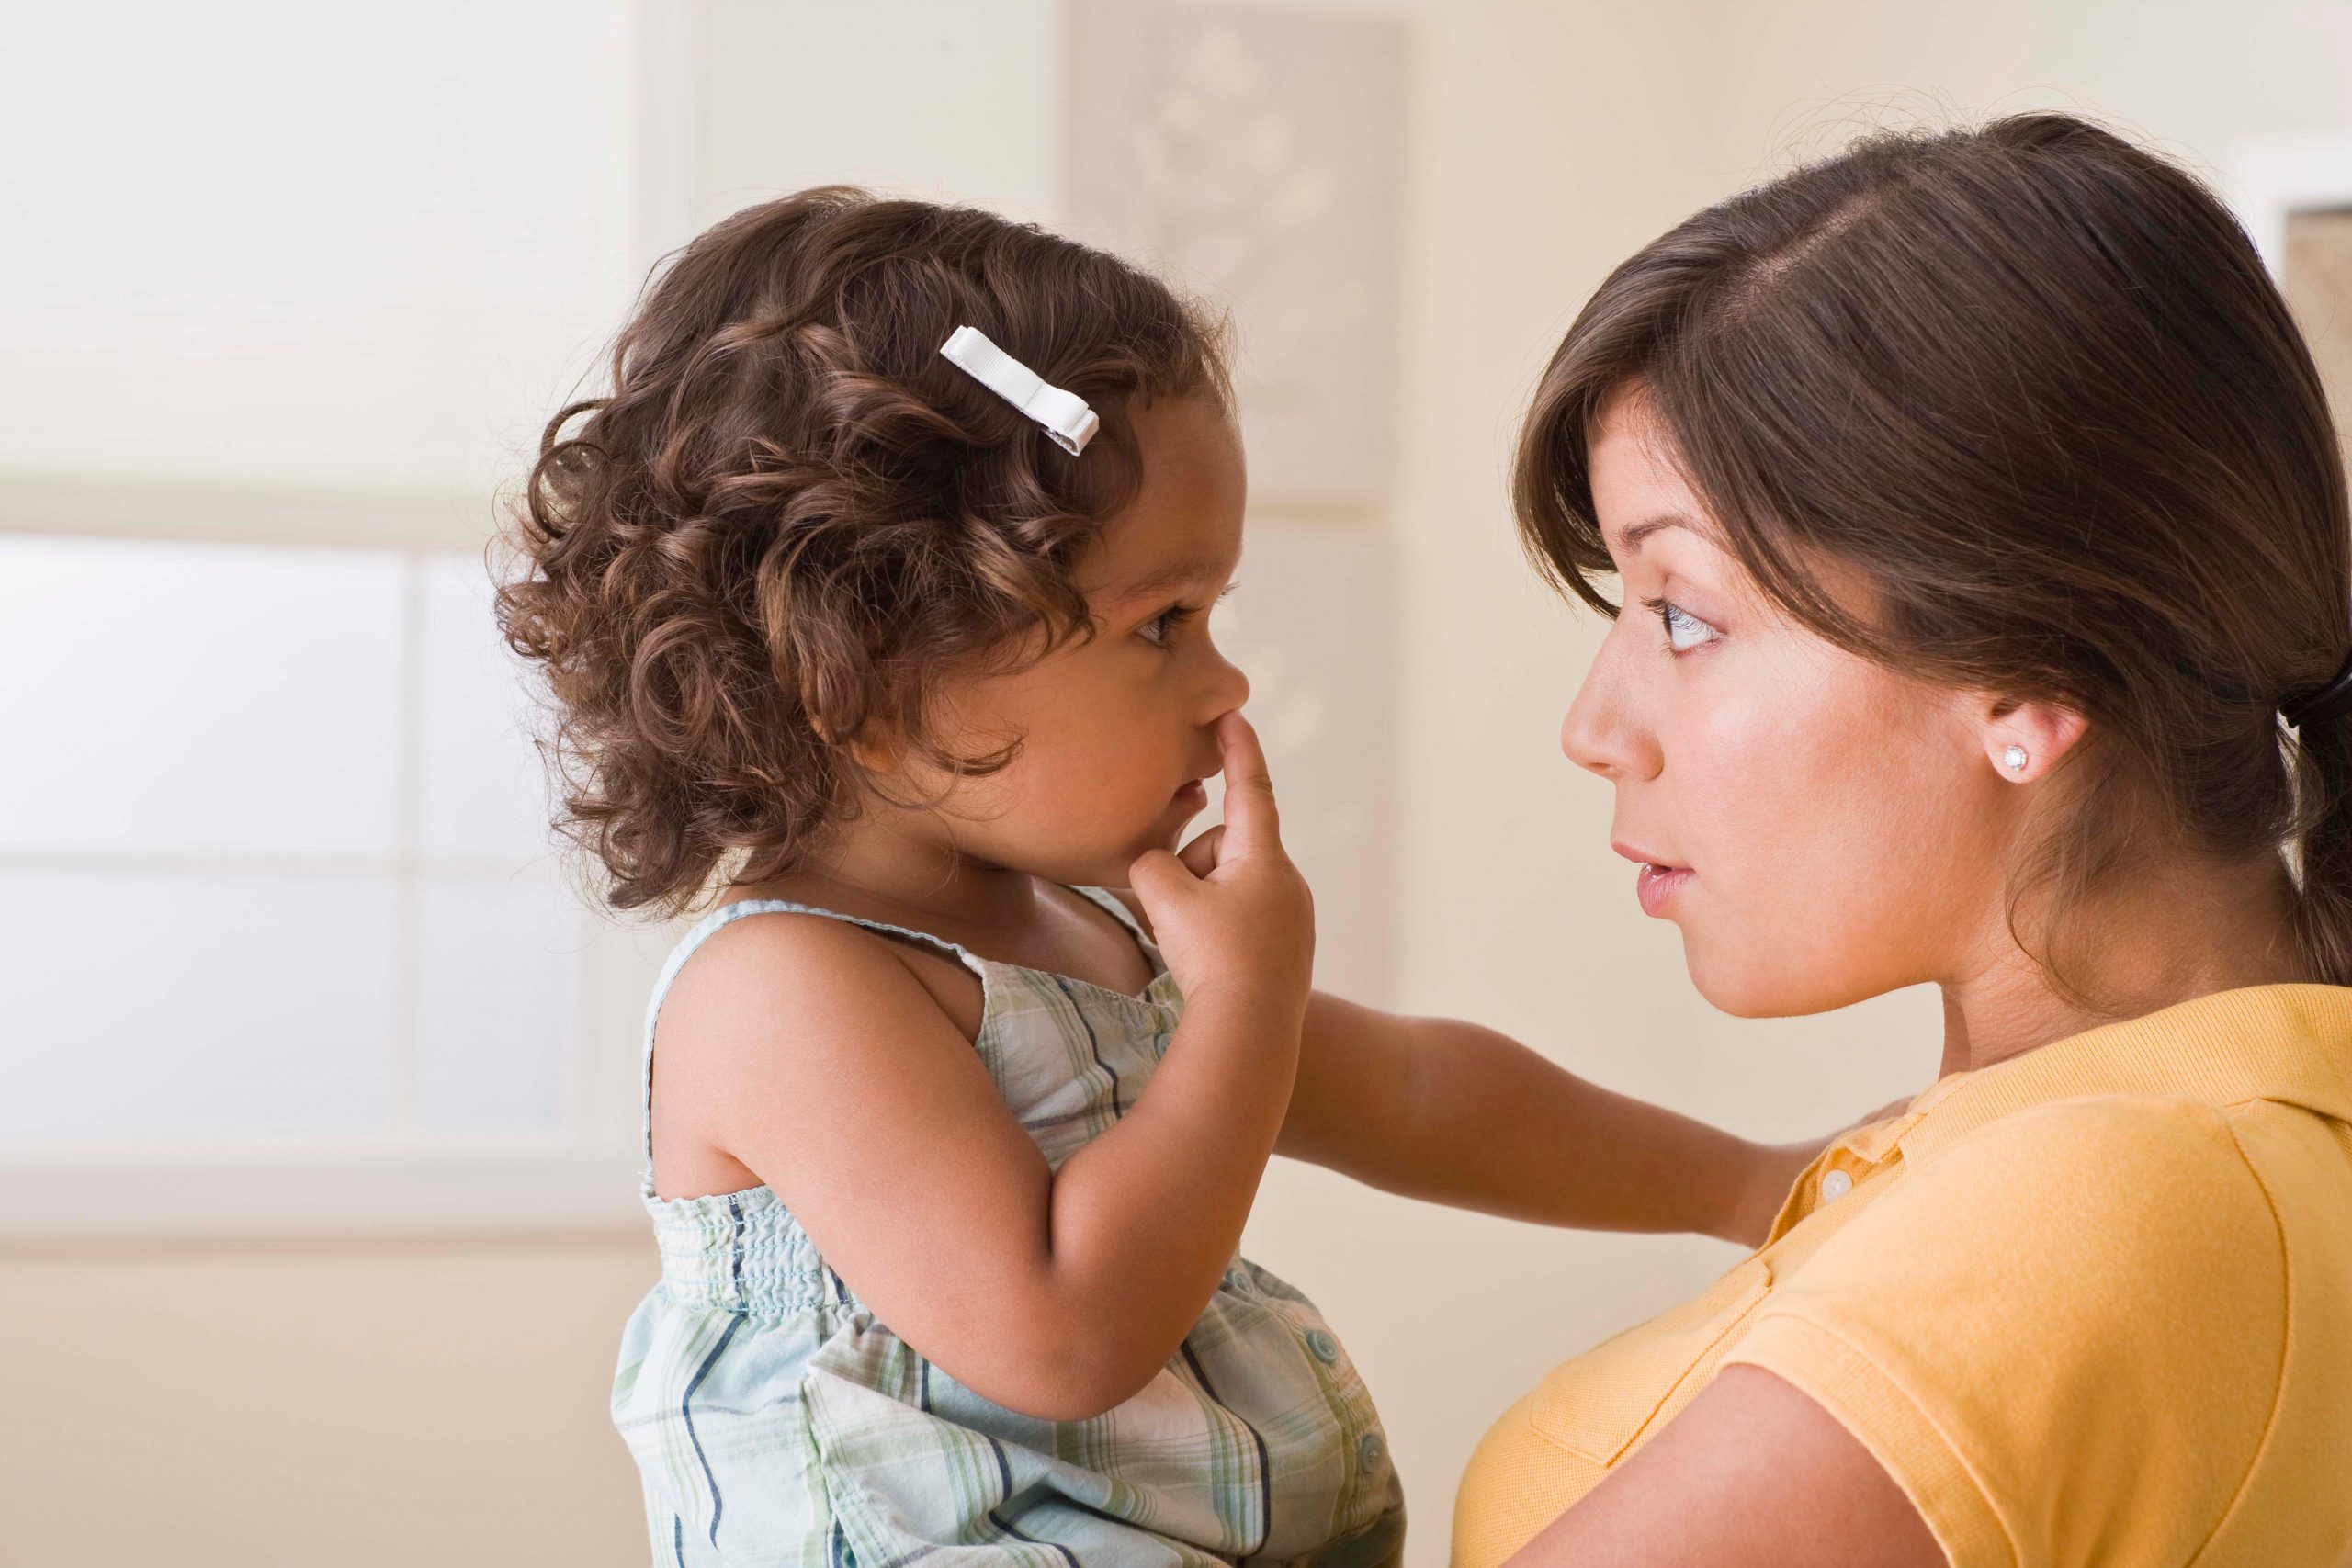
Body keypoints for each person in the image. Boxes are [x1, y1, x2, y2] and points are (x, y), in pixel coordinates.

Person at [496, 187, 1827, 1565]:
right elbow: (1063, 1333)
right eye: (1164, 623)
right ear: (873, 676)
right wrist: (1244, 997)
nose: (1227, 680)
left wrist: (1751, 1187)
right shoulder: (783, 994)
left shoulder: (1095, 928)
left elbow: (1422, 1099)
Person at [1453, 113, 2352, 1567]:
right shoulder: (2158, 1146)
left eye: (1682, 615)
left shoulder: (2092, 1210)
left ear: (2021, 677)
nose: (1595, 725)